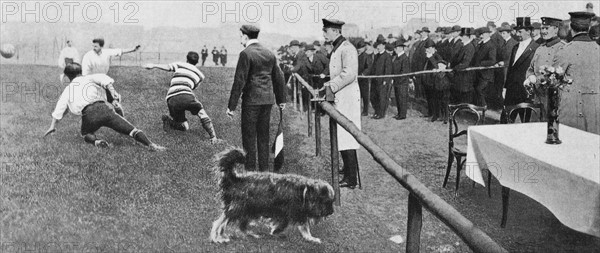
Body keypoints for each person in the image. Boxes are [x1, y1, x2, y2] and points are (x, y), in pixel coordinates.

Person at [44, 63, 165, 151]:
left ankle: (97, 141)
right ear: (80, 72)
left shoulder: (68, 90)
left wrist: (52, 126)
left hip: (88, 115)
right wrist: (113, 96)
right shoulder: (89, 78)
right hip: (105, 110)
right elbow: (106, 81)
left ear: (67, 77)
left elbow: (60, 109)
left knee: (86, 134)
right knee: (132, 130)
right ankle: (151, 145)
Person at [226, 25, 286, 172]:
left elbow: (239, 81)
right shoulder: (269, 53)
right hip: (267, 101)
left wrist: (231, 106)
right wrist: (281, 100)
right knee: (263, 136)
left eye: (240, 36)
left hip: (251, 101)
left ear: (245, 37)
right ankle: (264, 171)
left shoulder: (245, 54)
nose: (240, 39)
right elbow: (278, 78)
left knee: (249, 138)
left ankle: (250, 172)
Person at [317, 18, 361, 189]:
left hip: (348, 97)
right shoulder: (337, 48)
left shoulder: (347, 48)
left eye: (326, 31)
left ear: (335, 32)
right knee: (341, 135)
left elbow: (349, 73)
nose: (324, 34)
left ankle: (351, 179)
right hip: (340, 96)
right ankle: (348, 169)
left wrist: (332, 86)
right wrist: (329, 85)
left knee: (347, 135)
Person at [144, 52, 220, 144]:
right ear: (197, 62)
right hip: (186, 95)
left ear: (187, 59)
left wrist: (153, 65)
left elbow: (168, 67)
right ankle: (213, 137)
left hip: (171, 98)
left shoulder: (180, 65)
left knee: (184, 127)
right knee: (201, 114)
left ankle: (169, 121)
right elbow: (193, 87)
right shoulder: (200, 75)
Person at [553, 11, 600, 134]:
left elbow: (554, 80)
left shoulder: (565, 50)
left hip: (571, 108)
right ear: (589, 27)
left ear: (570, 27)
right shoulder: (598, 49)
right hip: (595, 108)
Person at [525, 17, 565, 118]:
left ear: (556, 29)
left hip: (554, 100)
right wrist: (529, 77)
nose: (543, 31)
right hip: (537, 98)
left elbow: (556, 75)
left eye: (547, 28)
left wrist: (536, 80)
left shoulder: (562, 48)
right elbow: (530, 68)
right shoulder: (540, 48)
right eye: (542, 28)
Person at [503, 17, 540, 123]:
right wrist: (505, 88)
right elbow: (510, 69)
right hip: (511, 91)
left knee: (525, 124)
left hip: (525, 92)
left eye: (520, 32)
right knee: (505, 122)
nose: (517, 34)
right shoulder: (515, 47)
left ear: (528, 31)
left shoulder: (537, 48)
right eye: (517, 31)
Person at [490, 24, 518, 109]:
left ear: (509, 33)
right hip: (501, 70)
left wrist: (504, 62)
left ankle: (506, 107)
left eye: (504, 33)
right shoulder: (503, 43)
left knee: (505, 88)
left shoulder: (513, 43)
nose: (503, 35)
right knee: (499, 87)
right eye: (501, 33)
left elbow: (513, 58)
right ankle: (500, 105)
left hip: (507, 70)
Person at [449, 27, 476, 104]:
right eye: (462, 36)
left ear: (467, 37)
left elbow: (466, 63)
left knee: (464, 95)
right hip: (460, 75)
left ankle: (464, 113)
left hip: (466, 76)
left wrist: (454, 68)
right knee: (458, 94)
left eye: (464, 36)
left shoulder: (470, 47)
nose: (462, 38)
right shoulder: (463, 46)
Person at [472, 27, 497, 107]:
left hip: (486, 74)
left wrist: (480, 63)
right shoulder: (481, 44)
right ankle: (481, 107)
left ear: (487, 34)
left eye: (482, 34)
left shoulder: (491, 45)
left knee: (479, 89)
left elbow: (492, 61)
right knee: (477, 90)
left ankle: (484, 106)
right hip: (479, 73)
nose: (481, 36)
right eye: (480, 34)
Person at [369, 41, 392, 119]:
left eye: (379, 45)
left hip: (382, 81)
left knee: (382, 97)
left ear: (383, 46)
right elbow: (373, 67)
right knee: (373, 97)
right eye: (377, 46)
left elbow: (388, 69)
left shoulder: (387, 56)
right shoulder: (376, 56)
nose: (378, 47)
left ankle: (381, 114)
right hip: (374, 80)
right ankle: (376, 112)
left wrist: (386, 80)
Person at [391, 39, 411, 120]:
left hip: (402, 82)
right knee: (398, 98)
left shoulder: (404, 58)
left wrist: (399, 81)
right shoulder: (397, 57)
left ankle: (402, 115)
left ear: (400, 48)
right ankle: (399, 113)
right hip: (397, 81)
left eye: (395, 48)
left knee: (402, 98)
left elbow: (404, 72)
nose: (394, 50)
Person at [357, 40, 373, 116]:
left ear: (364, 48)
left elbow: (369, 67)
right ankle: (359, 109)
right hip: (357, 78)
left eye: (361, 48)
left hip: (364, 79)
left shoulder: (367, 56)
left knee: (365, 95)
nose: (359, 49)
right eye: (358, 48)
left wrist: (364, 74)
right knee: (358, 95)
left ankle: (365, 111)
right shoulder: (357, 56)